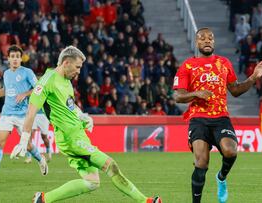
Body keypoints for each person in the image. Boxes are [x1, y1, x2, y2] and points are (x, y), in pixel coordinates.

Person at [10, 46, 161, 203]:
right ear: (66, 62)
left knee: (91, 182)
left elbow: (70, 105)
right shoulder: (47, 81)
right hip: (70, 138)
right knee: (111, 165)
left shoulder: (66, 81)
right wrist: (23, 140)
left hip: (78, 134)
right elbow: (31, 112)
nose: (79, 72)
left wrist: (83, 116)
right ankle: (147, 201)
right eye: (77, 67)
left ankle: (43, 199)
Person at [173, 27, 262, 203]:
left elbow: (235, 90)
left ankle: (222, 177)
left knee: (230, 151)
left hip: (221, 118)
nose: (207, 40)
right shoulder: (187, 65)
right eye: (202, 38)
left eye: (210, 38)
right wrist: (196, 94)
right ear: (196, 42)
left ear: (214, 42)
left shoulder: (224, 63)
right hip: (198, 119)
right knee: (201, 163)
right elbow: (178, 96)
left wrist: (253, 77)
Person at [0, 45, 48, 184]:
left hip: (23, 115)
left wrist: (25, 94)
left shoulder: (27, 72)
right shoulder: (6, 73)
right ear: (8, 59)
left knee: (28, 145)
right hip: (7, 114)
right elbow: (6, 90)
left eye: (17, 57)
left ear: (21, 58)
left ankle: (41, 160)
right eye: (12, 57)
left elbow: (38, 88)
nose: (15, 59)